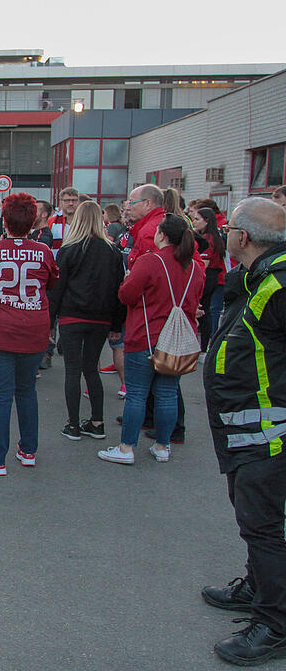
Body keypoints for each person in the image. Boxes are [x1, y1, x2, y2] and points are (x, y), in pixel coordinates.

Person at [200, 197, 286, 666]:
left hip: (267, 427)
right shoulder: (259, 277)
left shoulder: (278, 284)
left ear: (243, 236)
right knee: (253, 519)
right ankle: (258, 586)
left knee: (264, 525)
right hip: (245, 423)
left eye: (228, 227)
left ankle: (275, 625)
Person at [98, 213, 203, 465]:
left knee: (137, 394)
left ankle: (126, 448)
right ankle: (163, 446)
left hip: (145, 336)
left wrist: (125, 282)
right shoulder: (194, 267)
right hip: (177, 341)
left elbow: (126, 295)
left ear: (162, 235)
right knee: (167, 393)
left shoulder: (150, 261)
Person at [0, 193, 58, 475]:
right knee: (26, 390)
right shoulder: (44, 250)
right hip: (33, 327)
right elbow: (52, 280)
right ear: (34, 220)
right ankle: (28, 450)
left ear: (4, 220)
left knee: (0, 394)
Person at [47, 201, 125, 441]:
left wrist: (49, 322)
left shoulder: (70, 250)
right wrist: (116, 325)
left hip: (72, 315)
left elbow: (57, 289)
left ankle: (72, 425)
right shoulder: (113, 252)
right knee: (91, 369)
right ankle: (97, 422)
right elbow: (118, 290)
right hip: (101, 318)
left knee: (72, 370)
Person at [194, 207, 226, 350]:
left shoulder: (208, 239)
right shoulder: (215, 236)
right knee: (205, 310)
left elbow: (203, 265)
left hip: (207, 276)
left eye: (197, 219)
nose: (194, 222)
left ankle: (202, 346)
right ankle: (204, 345)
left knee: (201, 310)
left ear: (206, 221)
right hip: (213, 276)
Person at [126, 184, 167, 268]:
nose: (128, 207)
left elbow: (150, 270)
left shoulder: (150, 231)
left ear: (148, 203)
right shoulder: (164, 221)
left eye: (132, 202)